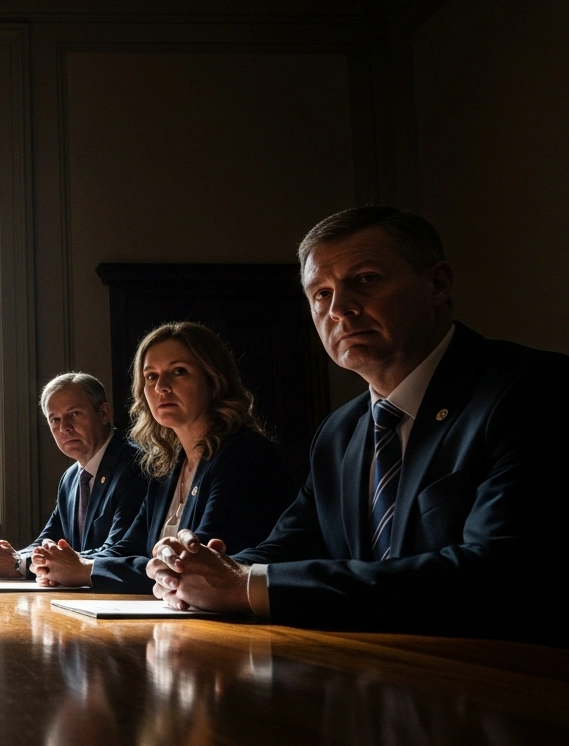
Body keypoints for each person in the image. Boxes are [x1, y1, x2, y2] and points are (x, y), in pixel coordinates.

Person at [147, 206, 566, 641]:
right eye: (320, 294)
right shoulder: (339, 432)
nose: (340, 308)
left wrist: (244, 586)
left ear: (437, 284)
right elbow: (289, 547)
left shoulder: (531, 391)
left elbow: (495, 572)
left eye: (365, 279)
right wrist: (192, 568)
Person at [32, 322, 295, 590]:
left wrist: (85, 569)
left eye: (178, 372)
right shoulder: (166, 466)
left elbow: (194, 564)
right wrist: (65, 564)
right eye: (151, 377)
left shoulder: (243, 455)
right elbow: (129, 547)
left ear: (214, 379)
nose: (161, 387)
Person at [0, 372, 145, 580]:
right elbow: (48, 539)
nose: (64, 428)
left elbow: (118, 552)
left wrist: (19, 564)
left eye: (74, 414)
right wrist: (12, 557)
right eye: (55, 419)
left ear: (104, 413)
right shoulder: (71, 477)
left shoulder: (135, 464)